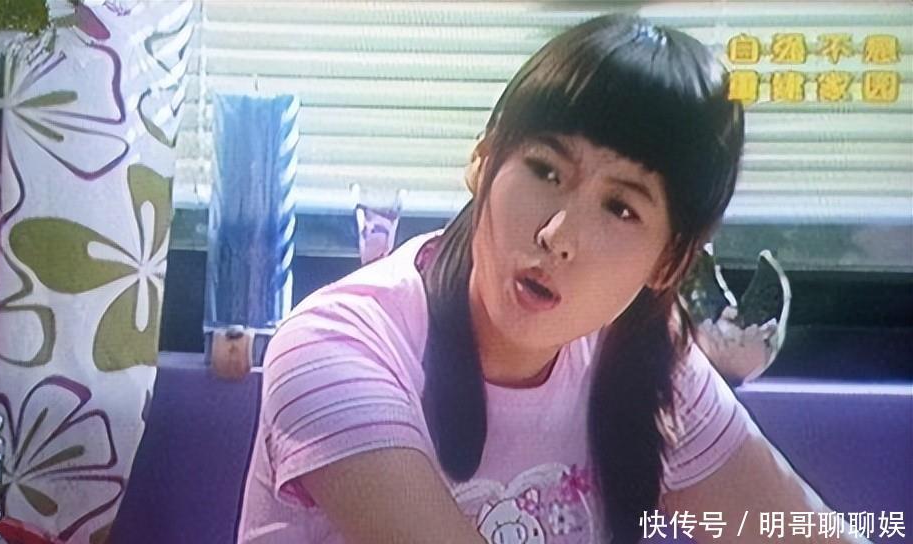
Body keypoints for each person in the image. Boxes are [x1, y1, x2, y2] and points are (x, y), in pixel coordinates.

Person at [237, 14, 869, 544]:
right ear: (483, 161)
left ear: (669, 263)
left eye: (620, 208)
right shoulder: (337, 347)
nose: (558, 235)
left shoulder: (649, 359)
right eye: (545, 170)